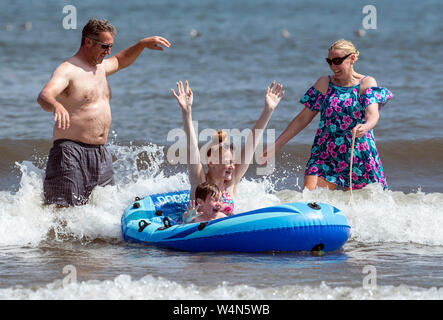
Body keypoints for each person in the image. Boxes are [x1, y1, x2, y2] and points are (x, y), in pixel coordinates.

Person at [37, 19, 170, 207]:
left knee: (104, 210)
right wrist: (55, 105)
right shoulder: (68, 69)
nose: (108, 52)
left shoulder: (100, 67)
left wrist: (141, 45)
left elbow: (120, 60)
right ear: (88, 42)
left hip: (100, 154)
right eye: (105, 46)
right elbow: (44, 95)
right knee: (63, 211)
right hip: (70, 152)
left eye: (110, 47)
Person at [261, 39, 393, 191]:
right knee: (310, 199)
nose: (333, 66)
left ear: (352, 59)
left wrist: (366, 126)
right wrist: (277, 145)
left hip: (357, 151)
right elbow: (303, 118)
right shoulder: (324, 83)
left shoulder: (366, 83)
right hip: (324, 152)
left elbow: (373, 115)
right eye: (329, 61)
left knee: (357, 205)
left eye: (337, 61)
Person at [172, 80, 284, 215]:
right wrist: (186, 112)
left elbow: (251, 145)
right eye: (227, 162)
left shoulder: (231, 182)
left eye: (232, 161)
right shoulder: (200, 181)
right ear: (211, 162)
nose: (232, 166)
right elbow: (192, 147)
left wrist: (268, 110)